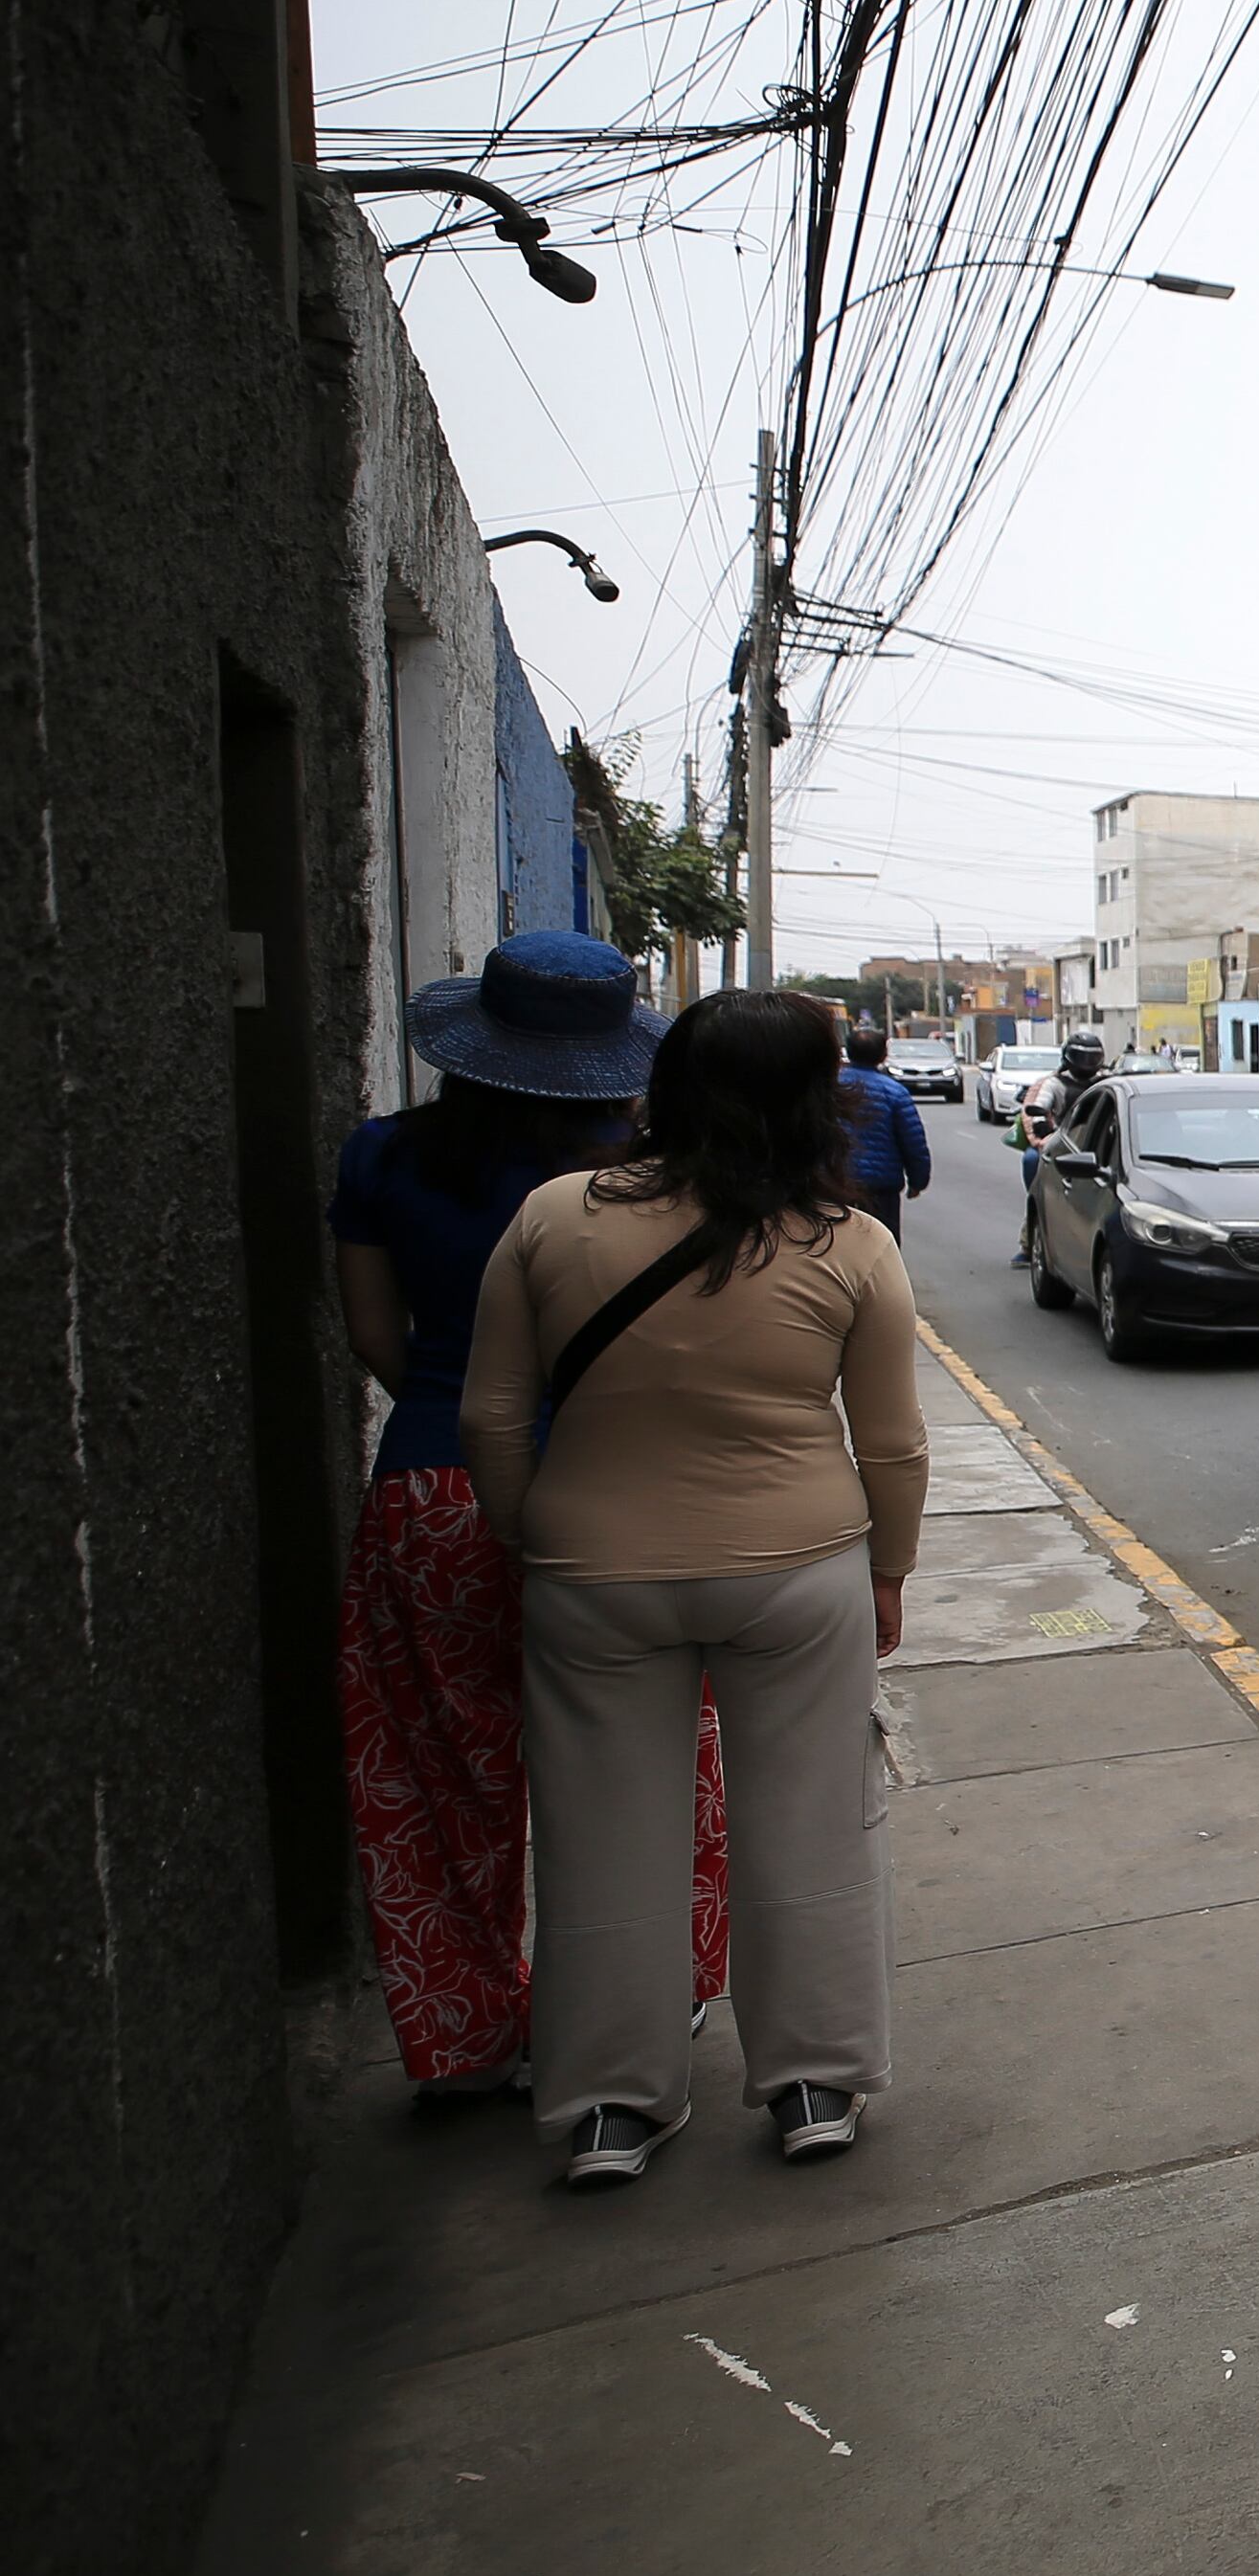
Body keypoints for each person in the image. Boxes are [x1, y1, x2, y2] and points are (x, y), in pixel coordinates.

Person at [463, 986, 928, 2187]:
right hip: (797, 1569)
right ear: (812, 1103)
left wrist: (533, 1537)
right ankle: (815, 2084)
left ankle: (612, 2106)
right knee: (814, 1825)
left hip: (591, 1573)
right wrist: (888, 1572)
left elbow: (495, 1414)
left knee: (600, 1838)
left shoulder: (552, 1219)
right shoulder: (847, 1242)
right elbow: (893, 1447)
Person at [332, 932, 732, 2095]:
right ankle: (656, 1995)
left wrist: (462, 1416)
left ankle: (467, 2038)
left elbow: (375, 1338)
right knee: (651, 1763)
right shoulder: (641, 1184)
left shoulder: (382, 1160)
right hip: (616, 1498)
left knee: (441, 1776)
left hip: (432, 1493)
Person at [1010, 1028, 1112, 1269]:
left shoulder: (1108, 1082)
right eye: (1081, 1057)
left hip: (1098, 1143)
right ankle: (1030, 1241)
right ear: (1068, 1058)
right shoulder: (1054, 1084)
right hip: (1063, 1141)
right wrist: (1042, 1125)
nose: (1087, 1064)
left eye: (1092, 1058)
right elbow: (1038, 1109)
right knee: (1033, 1164)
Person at [835, 1013, 935, 1240]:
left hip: (833, 1183)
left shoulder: (828, 1087)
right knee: (881, 1247)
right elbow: (913, 1142)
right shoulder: (894, 1093)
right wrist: (918, 1180)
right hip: (880, 1187)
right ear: (883, 1055)